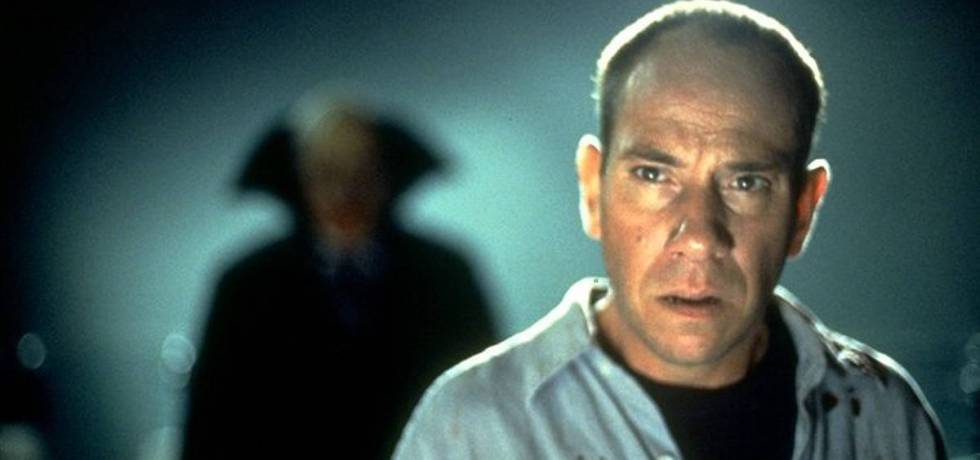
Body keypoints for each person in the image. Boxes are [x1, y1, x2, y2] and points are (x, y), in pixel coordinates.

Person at [394, 1, 946, 459]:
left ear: (803, 210)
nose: (700, 237)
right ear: (593, 190)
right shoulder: (474, 428)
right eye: (653, 175)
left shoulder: (886, 418)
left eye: (747, 182)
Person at [182, 90, 496, 459]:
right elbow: (211, 425)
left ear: (385, 176)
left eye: (362, 173)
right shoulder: (247, 286)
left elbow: (488, 402)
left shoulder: (446, 276)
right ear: (300, 178)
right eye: (327, 173)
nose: (345, 193)